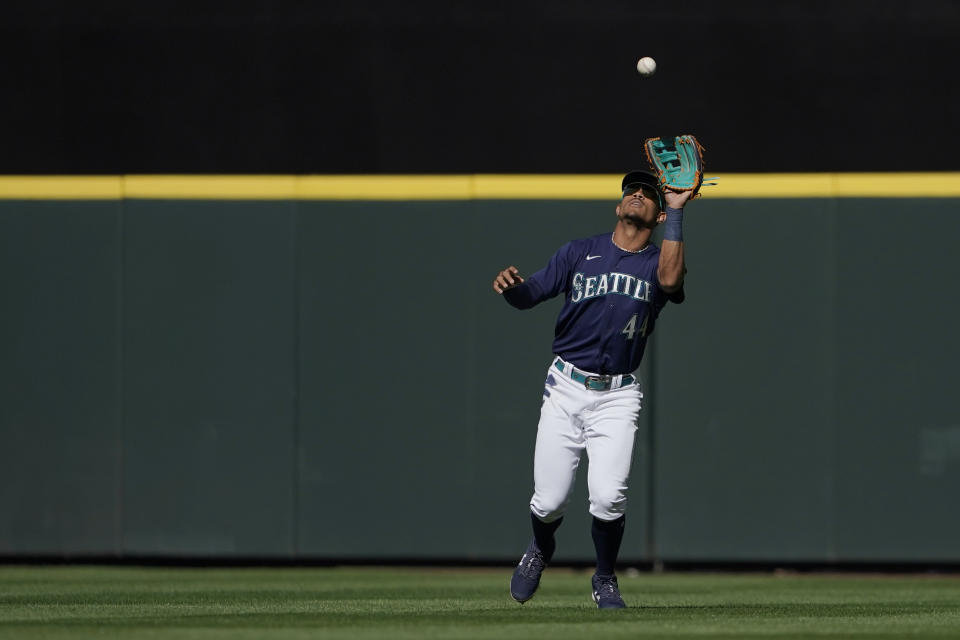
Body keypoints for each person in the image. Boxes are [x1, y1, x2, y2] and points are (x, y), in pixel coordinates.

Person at [491, 170, 692, 609]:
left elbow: (673, 283)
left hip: (617, 394)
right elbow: (532, 293)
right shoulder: (580, 252)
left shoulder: (657, 261)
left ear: (656, 216)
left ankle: (604, 577)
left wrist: (677, 211)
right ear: (619, 206)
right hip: (565, 386)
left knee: (607, 496)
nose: (638, 195)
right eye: (631, 192)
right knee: (548, 501)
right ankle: (541, 547)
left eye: (648, 195)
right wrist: (513, 290)